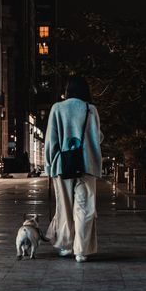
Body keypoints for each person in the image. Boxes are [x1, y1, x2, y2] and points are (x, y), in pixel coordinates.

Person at [44, 75, 103, 262]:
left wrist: (49, 165)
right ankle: (81, 250)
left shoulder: (57, 108)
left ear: (67, 90)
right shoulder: (91, 109)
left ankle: (66, 245)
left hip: (62, 165)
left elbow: (51, 140)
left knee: (64, 207)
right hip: (87, 165)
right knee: (85, 208)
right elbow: (98, 137)